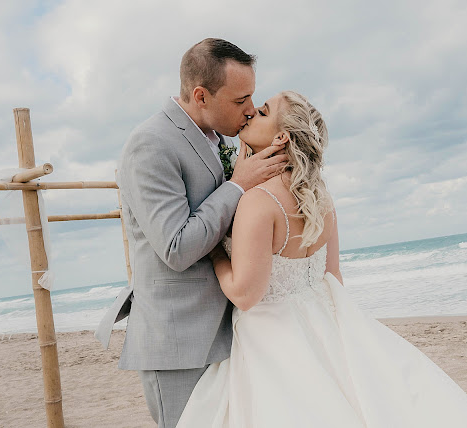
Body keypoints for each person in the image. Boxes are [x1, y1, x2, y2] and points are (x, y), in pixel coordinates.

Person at [176, 91, 467, 427]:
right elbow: (333, 275)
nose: (251, 113)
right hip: (324, 321)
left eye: (263, 112)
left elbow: (245, 295)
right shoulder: (319, 195)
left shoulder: (259, 201)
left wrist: (214, 252)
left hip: (271, 338)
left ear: (282, 137)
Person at [94, 38, 288, 428]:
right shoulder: (150, 144)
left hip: (230, 334)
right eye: (240, 100)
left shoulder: (219, 140)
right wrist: (237, 185)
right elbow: (176, 247)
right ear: (201, 95)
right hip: (178, 344)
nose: (250, 110)